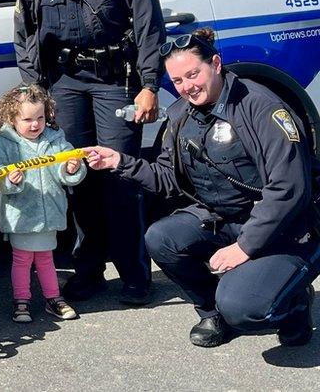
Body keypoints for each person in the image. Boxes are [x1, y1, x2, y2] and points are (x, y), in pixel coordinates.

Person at [86, 27, 320, 348]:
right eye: (178, 81)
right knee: (161, 238)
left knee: (244, 307)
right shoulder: (182, 115)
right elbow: (168, 179)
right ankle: (213, 313)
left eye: (193, 74)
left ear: (216, 64)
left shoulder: (260, 107)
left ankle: (293, 303)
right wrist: (119, 162)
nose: (187, 87)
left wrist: (244, 248)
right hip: (226, 218)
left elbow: (288, 188)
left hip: (288, 229)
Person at [13, 0, 166, 304]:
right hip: (64, 83)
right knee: (77, 177)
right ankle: (89, 271)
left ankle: (136, 276)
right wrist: (34, 89)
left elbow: (150, 22)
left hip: (115, 80)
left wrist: (150, 84)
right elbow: (24, 30)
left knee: (119, 177)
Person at [0, 84, 85, 323]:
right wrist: (6, 179)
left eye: (40, 118)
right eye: (27, 119)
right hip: (20, 214)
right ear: (11, 118)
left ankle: (54, 298)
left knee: (47, 258)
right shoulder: (4, 142)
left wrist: (71, 167)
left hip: (49, 212)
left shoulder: (55, 138)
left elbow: (67, 164)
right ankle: (22, 300)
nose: (35, 124)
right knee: (22, 259)